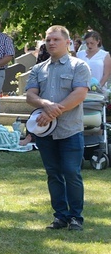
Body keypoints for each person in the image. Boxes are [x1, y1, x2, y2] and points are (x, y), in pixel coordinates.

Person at [26, 25, 90, 231]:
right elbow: (30, 96)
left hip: (70, 130)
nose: (51, 43)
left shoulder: (79, 66)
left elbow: (79, 94)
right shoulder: (38, 68)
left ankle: (76, 218)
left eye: (56, 39)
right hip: (46, 132)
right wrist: (46, 105)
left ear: (68, 42)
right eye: (48, 40)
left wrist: (52, 112)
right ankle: (60, 217)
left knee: (71, 172)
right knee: (53, 174)